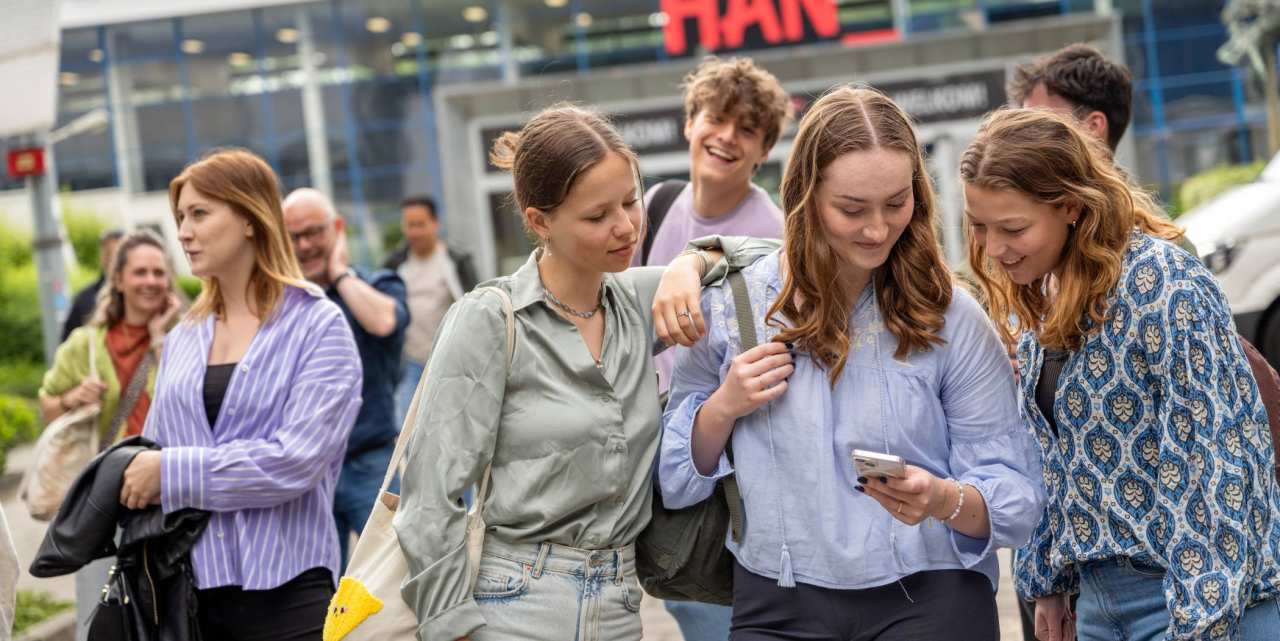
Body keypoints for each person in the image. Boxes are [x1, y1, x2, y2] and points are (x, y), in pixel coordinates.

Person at [659, 86, 1046, 641]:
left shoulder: (952, 317)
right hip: (776, 599)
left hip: (932, 595)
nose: (876, 229)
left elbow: (1017, 495)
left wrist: (943, 498)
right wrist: (722, 408)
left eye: (896, 203)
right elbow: (675, 482)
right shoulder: (733, 304)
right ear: (806, 196)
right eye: (851, 209)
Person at [392, 104, 775, 641]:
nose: (624, 227)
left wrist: (690, 263)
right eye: (597, 217)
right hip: (511, 605)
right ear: (539, 221)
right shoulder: (489, 320)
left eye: (630, 202)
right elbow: (428, 495)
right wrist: (453, 628)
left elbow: (773, 258)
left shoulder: (639, 299)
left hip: (622, 606)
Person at [962, 108, 1280, 641]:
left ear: (1070, 206)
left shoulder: (1162, 282)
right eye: (978, 227)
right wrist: (1048, 580)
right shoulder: (1041, 292)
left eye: (1013, 228)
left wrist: (1201, 620)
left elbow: (1216, 457)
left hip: (1196, 601)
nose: (993, 248)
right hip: (1098, 603)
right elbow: (1054, 456)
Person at [118, 148, 363, 641]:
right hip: (186, 599)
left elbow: (294, 461)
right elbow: (154, 451)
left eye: (200, 214)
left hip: (290, 597)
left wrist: (172, 472)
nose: (183, 232)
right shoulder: (184, 339)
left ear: (250, 218)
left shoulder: (317, 325)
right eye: (180, 217)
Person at [635, 56, 791, 640]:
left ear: (763, 150)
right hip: (657, 440)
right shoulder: (656, 206)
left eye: (746, 129)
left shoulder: (773, 234)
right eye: (715, 119)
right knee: (684, 592)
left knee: (719, 606)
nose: (726, 137)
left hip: (731, 460)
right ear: (689, 123)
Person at [37, 229, 182, 641]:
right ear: (117, 279)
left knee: (168, 614)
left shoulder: (187, 338)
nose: (151, 281)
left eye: (159, 272)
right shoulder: (85, 344)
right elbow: (45, 407)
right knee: (102, 613)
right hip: (103, 504)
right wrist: (71, 398)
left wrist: (161, 345)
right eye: (140, 272)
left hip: (166, 498)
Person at [283, 187, 409, 567]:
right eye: (294, 237)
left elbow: (384, 321)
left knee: (395, 575)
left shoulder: (380, 284)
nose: (305, 245)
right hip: (308, 473)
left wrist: (338, 275)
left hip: (369, 463)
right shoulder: (284, 302)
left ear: (337, 228)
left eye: (314, 232)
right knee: (316, 590)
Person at [382, 195, 478, 427]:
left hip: (450, 362)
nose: (414, 232)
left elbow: (476, 306)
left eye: (420, 224)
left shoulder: (456, 261)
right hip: (410, 364)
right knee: (409, 429)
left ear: (435, 224)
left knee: (455, 425)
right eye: (409, 225)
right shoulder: (394, 266)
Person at [62, 228, 125, 340]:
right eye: (108, 254)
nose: (113, 261)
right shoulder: (84, 299)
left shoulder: (143, 295)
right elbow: (67, 342)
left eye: (118, 255)